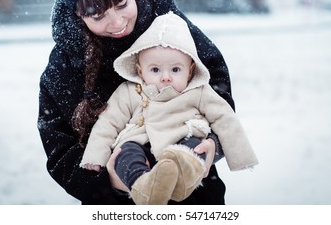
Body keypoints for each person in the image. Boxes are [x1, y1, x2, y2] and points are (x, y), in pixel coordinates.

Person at [38, 0, 236, 205]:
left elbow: (215, 85)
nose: (117, 22)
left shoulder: (169, 27)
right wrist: (106, 183)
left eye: (122, 5)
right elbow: (59, 148)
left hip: (194, 194)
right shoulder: (64, 66)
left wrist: (214, 142)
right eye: (98, 16)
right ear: (78, 14)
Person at [80, 12, 258, 205]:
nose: (166, 77)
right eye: (155, 70)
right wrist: (95, 156)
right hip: (139, 141)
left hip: (184, 136)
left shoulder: (198, 91)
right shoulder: (130, 91)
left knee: (191, 150)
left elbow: (225, 118)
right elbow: (108, 123)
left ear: (190, 71)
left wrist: (240, 155)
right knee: (125, 155)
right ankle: (144, 186)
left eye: (175, 69)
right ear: (140, 70)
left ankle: (183, 178)